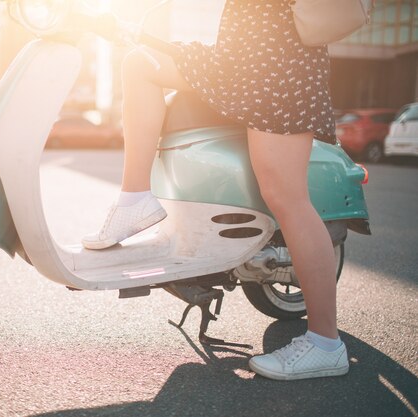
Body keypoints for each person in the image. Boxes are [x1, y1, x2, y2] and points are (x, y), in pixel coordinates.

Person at [81, 0, 349, 380]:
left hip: (278, 64)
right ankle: (135, 198)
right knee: (139, 63)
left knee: (288, 199)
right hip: (241, 62)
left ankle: (325, 344)